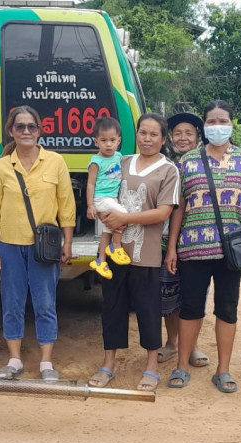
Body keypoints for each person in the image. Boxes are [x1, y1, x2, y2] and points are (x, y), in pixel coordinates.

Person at [166, 100, 241, 393]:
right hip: (193, 250)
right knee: (191, 308)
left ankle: (223, 370)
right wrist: (172, 248)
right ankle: (182, 365)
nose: (217, 126)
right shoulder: (187, 162)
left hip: (231, 254)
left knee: (227, 309)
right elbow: (178, 209)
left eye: (222, 120)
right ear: (204, 128)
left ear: (232, 124)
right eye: (211, 122)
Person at [88, 114, 180, 391]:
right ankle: (108, 364)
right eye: (143, 133)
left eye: (154, 134)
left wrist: (125, 220)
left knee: (148, 309)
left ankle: (151, 366)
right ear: (136, 135)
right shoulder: (122, 161)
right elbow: (103, 190)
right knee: (112, 306)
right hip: (115, 251)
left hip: (146, 253)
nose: (147, 139)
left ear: (164, 140)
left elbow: (164, 212)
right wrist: (103, 212)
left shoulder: (169, 170)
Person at [0, 106, 76, 380]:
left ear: (40, 130)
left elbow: (66, 205)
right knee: (11, 302)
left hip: (44, 248)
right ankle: (14, 360)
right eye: (20, 127)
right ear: (11, 131)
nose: (26, 131)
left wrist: (67, 242)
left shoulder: (55, 162)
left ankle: (46, 362)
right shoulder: (2, 166)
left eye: (31, 127)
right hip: (10, 246)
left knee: (45, 302)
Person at [157, 112, 210, 369]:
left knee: (193, 297)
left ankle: (193, 345)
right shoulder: (163, 163)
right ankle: (171, 343)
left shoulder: (205, 162)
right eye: (178, 133)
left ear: (198, 137)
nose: (183, 138)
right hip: (166, 240)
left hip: (196, 241)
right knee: (168, 294)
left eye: (189, 133)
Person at [86, 117, 131, 279]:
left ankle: (101, 261)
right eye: (104, 140)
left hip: (112, 199)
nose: (108, 144)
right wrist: (90, 205)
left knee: (107, 231)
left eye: (112, 140)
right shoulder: (96, 162)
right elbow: (90, 185)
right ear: (96, 141)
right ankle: (116, 246)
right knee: (123, 216)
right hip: (101, 199)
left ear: (119, 140)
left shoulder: (118, 156)